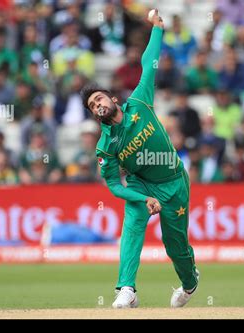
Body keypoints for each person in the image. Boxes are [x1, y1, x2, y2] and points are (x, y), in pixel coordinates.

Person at [81, 10, 199, 309]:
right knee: (132, 228)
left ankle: (189, 282)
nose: (97, 106)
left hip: (173, 182)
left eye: (99, 99)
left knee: (176, 246)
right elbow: (113, 186)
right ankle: (126, 289)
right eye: (92, 106)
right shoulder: (106, 146)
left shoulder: (140, 101)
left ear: (112, 99)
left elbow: (149, 64)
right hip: (140, 185)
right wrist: (141, 198)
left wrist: (158, 29)